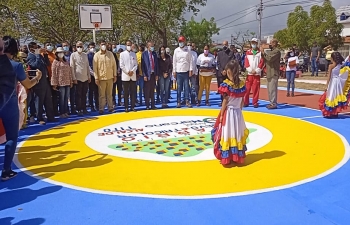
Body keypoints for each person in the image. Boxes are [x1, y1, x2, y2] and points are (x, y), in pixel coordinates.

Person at [0, 37, 42, 180]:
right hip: (8, 104)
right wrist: (37, 78)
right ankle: (6, 170)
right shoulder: (15, 66)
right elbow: (28, 84)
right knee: (11, 137)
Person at [211, 60, 248, 166]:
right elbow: (241, 101)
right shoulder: (241, 84)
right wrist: (239, 110)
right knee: (236, 133)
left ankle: (228, 157)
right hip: (237, 113)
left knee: (228, 133)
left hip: (229, 112)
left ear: (229, 71)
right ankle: (237, 156)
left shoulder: (227, 85)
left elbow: (225, 101)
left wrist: (222, 115)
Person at [27, 41, 56, 124]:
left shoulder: (40, 55)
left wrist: (45, 54)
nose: (38, 48)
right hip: (38, 82)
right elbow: (37, 65)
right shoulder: (30, 57)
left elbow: (46, 64)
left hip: (45, 80)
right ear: (31, 48)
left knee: (48, 99)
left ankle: (51, 116)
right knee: (39, 100)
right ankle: (40, 118)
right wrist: (38, 55)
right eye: (36, 47)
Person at [319, 52, 350, 118]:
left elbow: (329, 76)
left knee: (331, 96)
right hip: (338, 82)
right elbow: (346, 60)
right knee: (336, 96)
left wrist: (326, 85)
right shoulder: (340, 64)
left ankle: (330, 112)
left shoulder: (331, 66)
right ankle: (335, 112)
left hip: (333, 81)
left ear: (332, 58)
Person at [93, 40, 117, 114]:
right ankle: (101, 108)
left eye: (104, 44)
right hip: (101, 78)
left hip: (110, 77)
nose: (103, 46)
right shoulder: (96, 55)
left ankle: (110, 107)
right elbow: (95, 68)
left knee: (110, 94)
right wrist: (96, 78)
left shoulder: (110, 54)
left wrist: (115, 75)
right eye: (102, 44)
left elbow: (114, 65)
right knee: (102, 95)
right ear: (99, 46)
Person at [51, 47, 73, 118]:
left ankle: (66, 111)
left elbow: (69, 72)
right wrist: (54, 83)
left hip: (67, 82)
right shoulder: (55, 62)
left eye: (62, 53)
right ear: (57, 54)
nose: (61, 54)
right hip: (60, 83)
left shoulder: (66, 62)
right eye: (59, 53)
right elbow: (54, 73)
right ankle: (62, 112)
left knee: (66, 98)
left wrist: (71, 81)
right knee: (61, 98)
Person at [70, 41, 90, 115]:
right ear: (75, 47)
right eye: (78, 46)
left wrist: (89, 76)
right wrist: (74, 78)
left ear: (83, 47)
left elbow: (87, 66)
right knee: (78, 95)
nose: (79, 48)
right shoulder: (73, 55)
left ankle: (84, 108)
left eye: (81, 46)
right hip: (77, 78)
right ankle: (79, 109)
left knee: (84, 94)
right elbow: (72, 67)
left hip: (85, 78)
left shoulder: (85, 55)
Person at [260, 39, 281, 109]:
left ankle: (274, 103)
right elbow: (265, 58)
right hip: (269, 72)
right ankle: (271, 102)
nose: (270, 44)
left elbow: (270, 59)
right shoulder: (271, 51)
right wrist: (262, 53)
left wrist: (263, 52)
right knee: (269, 89)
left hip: (274, 72)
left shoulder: (277, 51)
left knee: (273, 89)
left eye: (271, 43)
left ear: (275, 43)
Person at [173, 36, 193, 108]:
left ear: (184, 42)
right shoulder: (176, 50)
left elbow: (190, 60)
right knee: (179, 88)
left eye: (182, 41)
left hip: (186, 71)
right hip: (178, 71)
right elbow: (174, 61)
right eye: (179, 41)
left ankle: (187, 101)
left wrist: (191, 70)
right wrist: (174, 71)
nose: (180, 43)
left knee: (186, 87)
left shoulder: (188, 50)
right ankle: (178, 101)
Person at [244, 38, 264, 108]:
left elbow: (262, 63)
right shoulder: (248, 52)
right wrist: (250, 70)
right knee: (247, 89)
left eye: (255, 43)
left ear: (257, 43)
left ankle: (255, 102)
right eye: (252, 43)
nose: (253, 44)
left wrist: (257, 70)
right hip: (249, 74)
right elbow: (246, 63)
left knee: (256, 89)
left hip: (256, 74)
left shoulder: (260, 53)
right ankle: (246, 102)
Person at [120, 40, 138, 112]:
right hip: (125, 76)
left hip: (133, 76)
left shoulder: (134, 54)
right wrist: (127, 72)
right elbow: (121, 65)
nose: (129, 46)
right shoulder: (122, 54)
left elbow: (136, 65)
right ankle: (126, 107)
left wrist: (132, 71)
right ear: (125, 46)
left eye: (130, 45)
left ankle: (132, 106)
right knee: (126, 93)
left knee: (133, 92)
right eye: (128, 45)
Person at [142, 41, 159, 110]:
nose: (152, 47)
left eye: (153, 46)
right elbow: (143, 65)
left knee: (152, 90)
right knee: (147, 91)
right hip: (147, 75)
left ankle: (153, 105)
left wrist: (157, 74)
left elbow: (156, 65)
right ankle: (147, 105)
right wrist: (144, 75)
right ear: (148, 47)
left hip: (153, 74)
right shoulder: (144, 54)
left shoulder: (154, 54)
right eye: (151, 46)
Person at [42, 42, 59, 116]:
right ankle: (49, 112)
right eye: (47, 45)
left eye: (50, 45)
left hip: (54, 78)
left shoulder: (54, 55)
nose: (49, 46)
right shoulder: (43, 55)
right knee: (48, 97)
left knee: (55, 96)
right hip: (47, 78)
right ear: (45, 47)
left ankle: (55, 111)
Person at [217, 40, 234, 106]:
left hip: (228, 73)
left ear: (228, 45)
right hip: (221, 73)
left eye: (226, 44)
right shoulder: (219, 53)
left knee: (229, 87)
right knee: (222, 88)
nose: (224, 46)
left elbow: (231, 62)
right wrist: (222, 70)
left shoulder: (231, 53)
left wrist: (226, 70)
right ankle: (222, 101)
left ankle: (228, 101)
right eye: (223, 45)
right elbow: (218, 63)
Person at [87, 42, 99, 111]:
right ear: (88, 48)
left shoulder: (96, 54)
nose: (92, 48)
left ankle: (97, 105)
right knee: (91, 91)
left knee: (96, 91)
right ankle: (91, 105)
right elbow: (88, 66)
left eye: (93, 47)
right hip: (91, 76)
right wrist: (93, 74)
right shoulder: (87, 55)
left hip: (97, 76)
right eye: (91, 47)